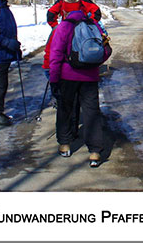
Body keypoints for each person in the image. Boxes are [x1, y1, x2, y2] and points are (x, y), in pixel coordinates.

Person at [49, 10, 106, 168]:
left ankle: (65, 145)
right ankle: (95, 152)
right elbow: (105, 50)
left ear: (67, 13)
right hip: (90, 77)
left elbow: (56, 54)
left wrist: (54, 79)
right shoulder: (94, 26)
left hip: (68, 76)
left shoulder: (64, 27)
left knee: (65, 109)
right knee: (91, 112)